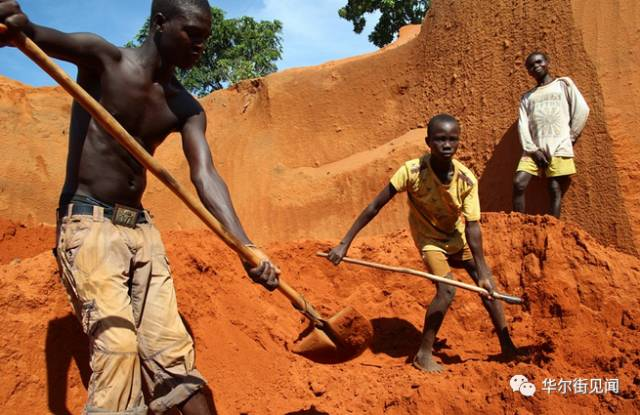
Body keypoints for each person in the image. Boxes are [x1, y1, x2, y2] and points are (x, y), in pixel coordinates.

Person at [0, 0, 279, 413]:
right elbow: (34, 34)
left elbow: (205, 175)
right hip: (89, 223)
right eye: (192, 34)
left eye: (206, 38)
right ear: (160, 23)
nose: (200, 46)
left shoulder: (185, 107)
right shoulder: (103, 59)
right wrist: (12, 24)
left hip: (141, 231)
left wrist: (245, 246)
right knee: (118, 348)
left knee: (175, 360)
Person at [326, 114, 518, 372]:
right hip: (429, 240)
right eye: (440, 139)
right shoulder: (412, 171)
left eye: (452, 139)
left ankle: (507, 345)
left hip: (456, 237)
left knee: (489, 287)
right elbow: (375, 206)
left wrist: (482, 272)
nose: (447, 145)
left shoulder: (466, 180)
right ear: (429, 142)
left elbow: (472, 227)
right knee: (447, 290)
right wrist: (344, 244)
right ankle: (423, 354)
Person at [512, 51, 590, 217]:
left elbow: (582, 109)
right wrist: (533, 149)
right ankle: (517, 226)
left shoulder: (563, 85)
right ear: (528, 72)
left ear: (547, 62)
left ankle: (554, 229)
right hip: (533, 149)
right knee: (519, 183)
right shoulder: (527, 97)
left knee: (554, 188)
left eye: (539, 62)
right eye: (531, 66)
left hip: (559, 146)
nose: (536, 66)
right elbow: (523, 125)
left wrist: (570, 137)